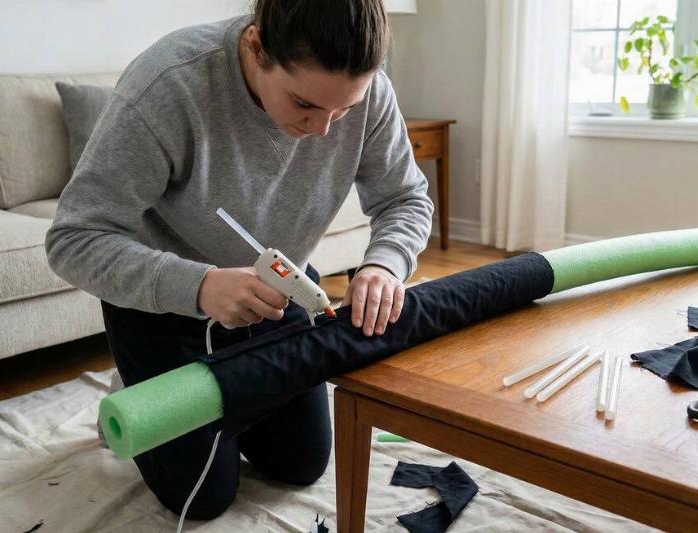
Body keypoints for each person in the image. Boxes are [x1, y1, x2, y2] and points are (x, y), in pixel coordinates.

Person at [45, 0, 433, 520]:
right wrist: (200, 286)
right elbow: (73, 238)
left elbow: (406, 199)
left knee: (301, 465)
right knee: (203, 498)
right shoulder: (167, 86)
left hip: (280, 288)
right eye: (304, 105)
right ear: (255, 45)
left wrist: (385, 263)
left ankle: (218, 399)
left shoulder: (368, 95)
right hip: (165, 304)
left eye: (343, 111)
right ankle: (140, 376)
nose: (323, 133)